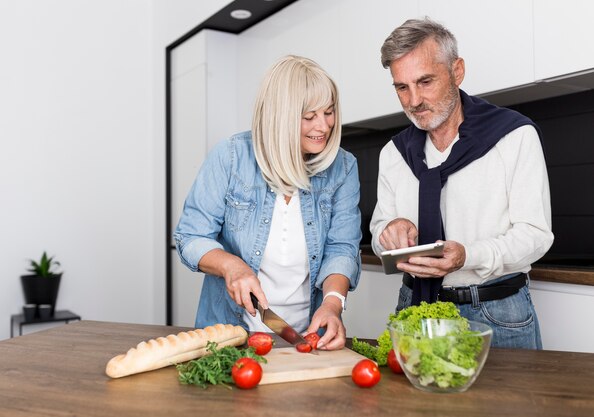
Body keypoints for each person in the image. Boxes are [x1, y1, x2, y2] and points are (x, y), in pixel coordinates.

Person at [370, 18, 553, 349]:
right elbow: (380, 237)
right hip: (415, 308)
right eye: (401, 87)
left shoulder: (514, 136)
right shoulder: (394, 154)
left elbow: (535, 235)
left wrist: (468, 255)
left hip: (497, 312)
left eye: (425, 81)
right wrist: (390, 232)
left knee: (509, 404)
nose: (413, 101)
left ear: (457, 71)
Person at [174, 55, 362, 350]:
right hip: (228, 333)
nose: (323, 126)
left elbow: (342, 247)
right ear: (280, 116)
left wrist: (333, 303)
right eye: (309, 116)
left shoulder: (343, 168)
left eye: (329, 112)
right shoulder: (232, 157)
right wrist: (231, 266)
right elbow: (190, 236)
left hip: (305, 336)